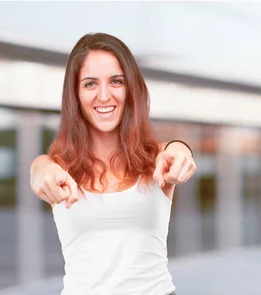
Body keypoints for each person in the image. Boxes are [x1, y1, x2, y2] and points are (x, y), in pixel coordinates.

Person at [29, 32, 197, 295]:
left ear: (131, 88)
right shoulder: (58, 167)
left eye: (116, 81)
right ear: (75, 94)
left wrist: (181, 149)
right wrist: (43, 170)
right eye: (90, 84)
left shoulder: (158, 160)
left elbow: (177, 151)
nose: (104, 95)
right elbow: (40, 169)